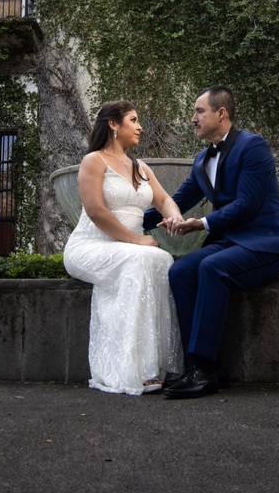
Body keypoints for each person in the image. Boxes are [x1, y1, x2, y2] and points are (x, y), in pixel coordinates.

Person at [143, 86, 279, 399]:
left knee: (211, 267)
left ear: (221, 113)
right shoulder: (202, 160)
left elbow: (248, 204)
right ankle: (195, 368)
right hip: (229, 244)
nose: (193, 118)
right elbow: (177, 200)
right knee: (181, 272)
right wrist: (128, 223)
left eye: (199, 111)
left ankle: (203, 368)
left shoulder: (253, 146)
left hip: (263, 246)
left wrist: (202, 223)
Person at [63, 101, 184, 395]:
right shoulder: (94, 161)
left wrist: (176, 216)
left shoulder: (140, 167)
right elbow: (96, 211)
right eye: (133, 120)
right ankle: (130, 368)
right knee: (143, 259)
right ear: (114, 125)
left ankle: (152, 365)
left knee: (162, 259)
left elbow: (164, 200)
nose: (140, 126)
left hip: (129, 250)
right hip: (91, 246)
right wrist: (138, 239)